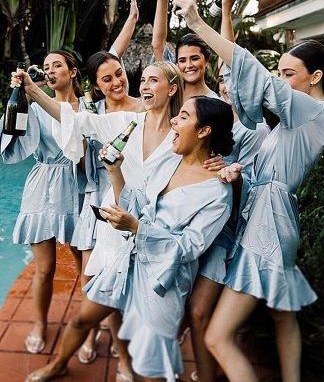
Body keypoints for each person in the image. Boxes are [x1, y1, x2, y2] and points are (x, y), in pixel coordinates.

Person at [13, 59, 223, 381]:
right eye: (144, 80)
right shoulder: (129, 123)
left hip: (154, 237)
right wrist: (32, 90)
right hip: (116, 222)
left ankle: (133, 359)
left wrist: (227, 171)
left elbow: (203, 169)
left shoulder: (182, 139)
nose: (145, 86)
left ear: (171, 89)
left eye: (154, 80)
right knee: (90, 308)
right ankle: (59, 363)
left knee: (145, 331)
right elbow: (77, 120)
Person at [172, 0, 324, 382]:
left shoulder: (318, 112)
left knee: (217, 336)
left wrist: (198, 24)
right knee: (282, 315)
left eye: (288, 74)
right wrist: (236, 169)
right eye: (278, 72)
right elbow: (243, 99)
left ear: (316, 77)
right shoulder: (288, 122)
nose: (280, 80)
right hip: (272, 220)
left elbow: (250, 74)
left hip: (268, 227)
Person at [96, 95, 235, 381]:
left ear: (204, 131)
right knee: (138, 353)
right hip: (135, 270)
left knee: (154, 366)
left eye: (183, 116)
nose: (173, 120)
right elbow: (138, 207)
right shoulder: (168, 162)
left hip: (165, 285)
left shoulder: (218, 193)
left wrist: (137, 229)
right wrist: (115, 171)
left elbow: (188, 248)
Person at [188, 0, 269, 382]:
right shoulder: (208, 121)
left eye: (230, 85)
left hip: (232, 230)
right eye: (222, 87)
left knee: (205, 314)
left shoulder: (251, 130)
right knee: (197, 314)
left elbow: (232, 59)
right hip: (199, 220)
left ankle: (210, 373)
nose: (226, 88)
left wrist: (223, 10)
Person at [71, 0, 141, 365]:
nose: (116, 82)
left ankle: (119, 341)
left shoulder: (145, 106)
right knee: (92, 278)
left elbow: (112, 58)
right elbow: (106, 60)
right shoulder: (92, 111)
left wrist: (132, 19)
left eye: (119, 75)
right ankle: (99, 333)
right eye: (106, 80)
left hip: (130, 199)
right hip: (96, 200)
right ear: (96, 86)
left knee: (123, 276)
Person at [0, 50, 86, 355]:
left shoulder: (88, 107)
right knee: (45, 268)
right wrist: (18, 93)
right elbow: (9, 131)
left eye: (57, 65)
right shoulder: (34, 108)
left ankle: (87, 327)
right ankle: (39, 323)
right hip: (41, 185)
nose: (50, 71)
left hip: (76, 185)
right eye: (46, 67)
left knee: (83, 265)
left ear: (72, 72)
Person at [152, 0, 218, 100]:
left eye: (194, 58)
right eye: (182, 60)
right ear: (176, 63)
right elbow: (158, 45)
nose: (188, 65)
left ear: (206, 61)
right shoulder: (172, 92)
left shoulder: (214, 102)